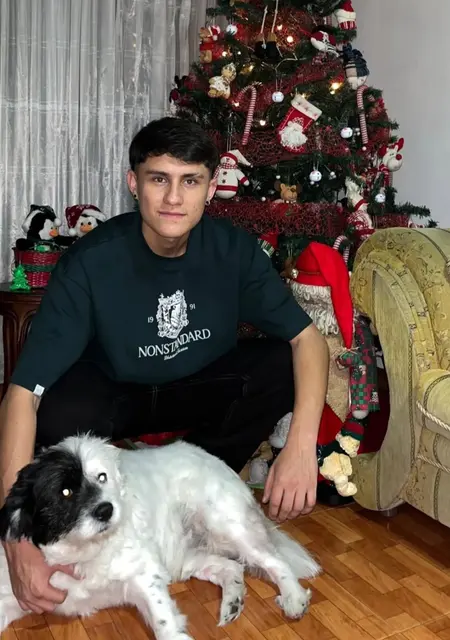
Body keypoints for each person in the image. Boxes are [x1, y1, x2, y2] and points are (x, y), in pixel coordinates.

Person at [0, 117, 329, 617]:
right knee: (57, 409)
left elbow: (309, 340)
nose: (174, 198)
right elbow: (21, 394)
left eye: (190, 181)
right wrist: (16, 540)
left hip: (197, 386)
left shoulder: (234, 251)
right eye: (159, 178)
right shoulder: (91, 262)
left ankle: (193, 493)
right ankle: (107, 501)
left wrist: (301, 446)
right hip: (115, 396)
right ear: (134, 183)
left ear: (211, 188)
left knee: (279, 364)